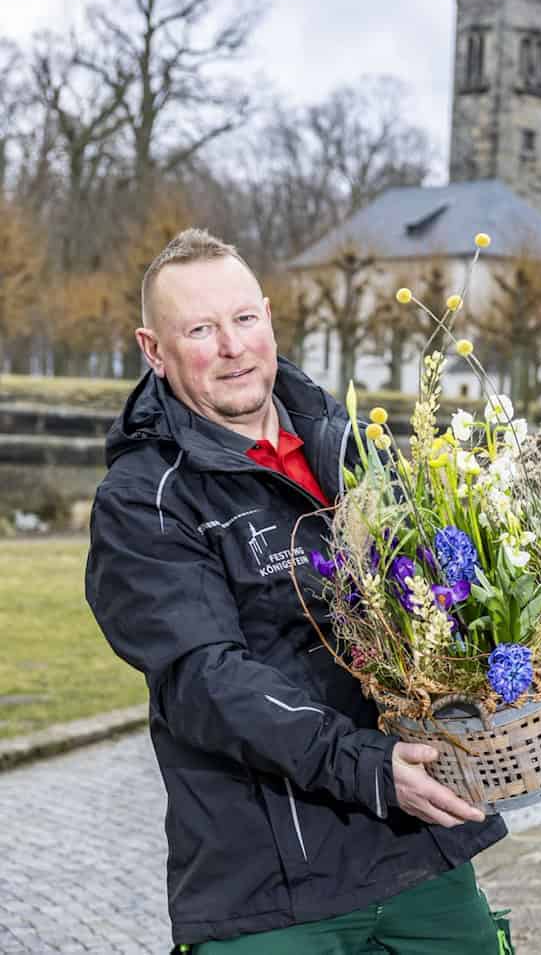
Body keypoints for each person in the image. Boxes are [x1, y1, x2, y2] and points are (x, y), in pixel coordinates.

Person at [85, 229, 506, 952]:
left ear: (271, 317)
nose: (233, 347)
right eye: (200, 330)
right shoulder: (143, 499)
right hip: (271, 891)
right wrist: (368, 768)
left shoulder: (352, 447)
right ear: (153, 350)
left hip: (420, 854)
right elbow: (207, 682)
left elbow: (444, 603)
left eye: (245, 318)